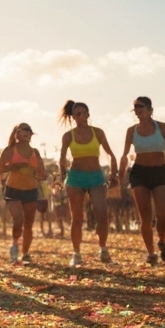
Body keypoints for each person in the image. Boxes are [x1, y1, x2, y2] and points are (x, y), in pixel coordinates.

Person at [118, 97, 165, 265]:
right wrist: (121, 174)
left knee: (163, 215)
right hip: (139, 173)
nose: (137, 110)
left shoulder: (162, 127)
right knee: (145, 217)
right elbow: (125, 154)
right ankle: (151, 252)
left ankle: (161, 240)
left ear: (150, 109)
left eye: (141, 107)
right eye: (135, 108)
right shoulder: (131, 131)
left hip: (160, 172)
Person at [56, 101, 117, 267]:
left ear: (89, 114)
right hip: (76, 178)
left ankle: (103, 248)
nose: (82, 116)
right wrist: (62, 166)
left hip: (96, 176)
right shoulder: (68, 136)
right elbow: (61, 157)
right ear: (73, 117)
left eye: (84, 113)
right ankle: (76, 253)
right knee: (77, 218)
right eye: (78, 114)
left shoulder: (98, 132)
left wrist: (114, 169)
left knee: (102, 215)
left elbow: (110, 154)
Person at [0, 124, 46, 265]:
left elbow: (42, 173)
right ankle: (14, 244)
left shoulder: (35, 152)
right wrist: (14, 166)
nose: (26, 135)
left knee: (29, 223)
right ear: (16, 135)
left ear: (31, 136)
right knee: (18, 220)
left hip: (31, 190)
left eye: (29, 133)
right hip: (13, 189)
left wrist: (40, 172)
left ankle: (26, 253)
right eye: (23, 133)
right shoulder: (10, 150)